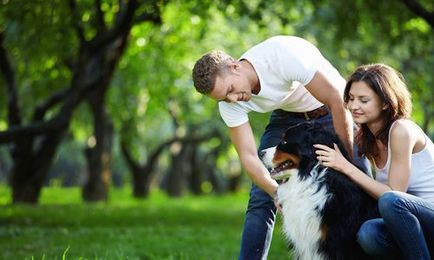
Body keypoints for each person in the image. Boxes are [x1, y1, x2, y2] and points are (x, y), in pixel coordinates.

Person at [192, 35, 370, 259]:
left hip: (330, 109)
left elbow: (337, 100)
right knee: (260, 197)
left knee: (358, 182)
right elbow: (248, 157)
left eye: (231, 90)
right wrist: (276, 192)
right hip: (287, 118)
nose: (233, 100)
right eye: (224, 99)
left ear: (235, 66)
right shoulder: (229, 104)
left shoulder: (281, 55)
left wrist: (347, 162)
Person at [314, 63, 434, 259]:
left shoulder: (401, 130)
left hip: (429, 215)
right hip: (412, 225)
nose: (353, 106)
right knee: (369, 234)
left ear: (386, 103)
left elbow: (394, 194)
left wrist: (345, 167)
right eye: (351, 98)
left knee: (390, 200)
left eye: (363, 100)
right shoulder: (367, 137)